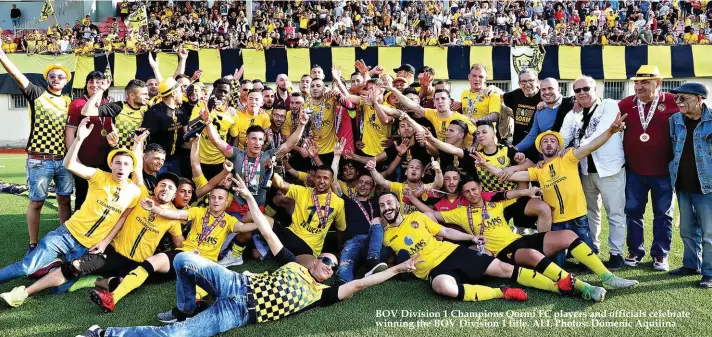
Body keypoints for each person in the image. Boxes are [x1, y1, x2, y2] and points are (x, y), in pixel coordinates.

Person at [77, 175, 421, 337]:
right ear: (314, 261)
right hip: (235, 281)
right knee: (182, 259)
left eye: (332, 268)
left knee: (176, 336)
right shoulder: (292, 262)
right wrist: (249, 198)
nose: (329, 268)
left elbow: (361, 283)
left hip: (239, 311)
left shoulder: (323, 295)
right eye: (326, 261)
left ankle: (105, 334)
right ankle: (185, 306)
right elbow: (267, 230)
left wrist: (399, 268)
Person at [0, 118, 142, 307]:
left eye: (126, 164)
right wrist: (79, 139)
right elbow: (70, 164)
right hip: (66, 235)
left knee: (58, 289)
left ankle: (54, 265)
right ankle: (47, 264)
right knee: (26, 267)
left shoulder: (134, 191)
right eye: (117, 163)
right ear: (111, 165)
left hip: (88, 247)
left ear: (132, 168)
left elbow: (122, 218)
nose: (121, 167)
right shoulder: (99, 176)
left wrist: (105, 242)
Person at [428, 178, 637, 302]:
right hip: (504, 252)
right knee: (531, 255)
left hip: (519, 240)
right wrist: (415, 198)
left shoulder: (495, 205)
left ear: (480, 190)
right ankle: (584, 288)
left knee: (568, 236)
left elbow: (512, 193)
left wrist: (527, 191)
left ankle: (607, 277)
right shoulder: (460, 212)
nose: (472, 193)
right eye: (467, 191)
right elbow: (432, 216)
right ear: (463, 195)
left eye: (474, 189)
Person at [484, 110, 628, 267]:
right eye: (545, 141)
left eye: (552, 141)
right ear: (540, 148)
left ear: (559, 146)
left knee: (588, 264)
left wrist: (610, 131)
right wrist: (485, 164)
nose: (548, 143)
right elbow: (509, 176)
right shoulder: (538, 171)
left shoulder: (569, 157)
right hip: (557, 222)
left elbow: (592, 146)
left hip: (578, 217)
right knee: (558, 264)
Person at [0, 47, 74, 254]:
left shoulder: (69, 101)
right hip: (39, 160)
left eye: (61, 76)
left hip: (63, 160)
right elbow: (17, 75)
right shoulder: (36, 93)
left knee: (65, 199)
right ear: (47, 79)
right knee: (36, 203)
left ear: (65, 81)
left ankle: (65, 238)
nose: (56, 78)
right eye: (52, 75)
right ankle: (32, 244)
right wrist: (2, 57)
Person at [559, 76, 627, 269]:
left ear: (595, 89)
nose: (581, 93)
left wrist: (574, 149)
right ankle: (592, 248)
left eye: (585, 88)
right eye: (577, 90)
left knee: (614, 213)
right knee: (590, 212)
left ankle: (616, 253)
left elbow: (603, 132)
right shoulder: (575, 113)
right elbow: (564, 137)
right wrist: (571, 116)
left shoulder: (609, 105)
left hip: (610, 169)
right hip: (585, 170)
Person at [619, 65, 678, 271]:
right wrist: (576, 106)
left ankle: (660, 255)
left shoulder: (672, 101)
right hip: (635, 171)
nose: (639, 86)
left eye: (645, 82)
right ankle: (635, 251)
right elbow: (601, 111)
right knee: (633, 213)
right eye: (636, 82)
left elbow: (695, 108)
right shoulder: (626, 104)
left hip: (664, 173)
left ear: (658, 83)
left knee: (663, 214)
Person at [668, 82, 712, 288]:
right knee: (686, 230)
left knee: (709, 233)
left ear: (699, 99)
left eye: (684, 98)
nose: (679, 102)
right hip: (682, 185)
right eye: (677, 98)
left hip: (708, 187)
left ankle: (709, 273)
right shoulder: (675, 120)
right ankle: (690, 264)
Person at [66, 71, 111, 210]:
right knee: (82, 196)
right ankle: (77, 229)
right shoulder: (78, 104)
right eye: (91, 81)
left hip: (105, 160)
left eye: (98, 81)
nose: (94, 84)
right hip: (84, 159)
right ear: (86, 85)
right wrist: (74, 158)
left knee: (103, 196)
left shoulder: (108, 103)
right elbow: (70, 131)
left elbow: (111, 126)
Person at [337, 171, 389, 284]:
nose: (363, 185)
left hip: (372, 241)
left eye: (367, 183)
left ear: (372, 188)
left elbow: (384, 183)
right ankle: (344, 282)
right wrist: (336, 157)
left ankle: (372, 260)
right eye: (360, 182)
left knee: (377, 221)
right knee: (345, 267)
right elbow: (334, 182)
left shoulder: (377, 202)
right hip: (353, 242)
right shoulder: (348, 201)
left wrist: (373, 169)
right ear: (356, 185)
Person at [82, 79, 150, 151]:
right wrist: (101, 90)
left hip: (140, 156)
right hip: (121, 156)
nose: (148, 97)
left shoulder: (148, 107)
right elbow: (86, 111)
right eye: (144, 94)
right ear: (132, 95)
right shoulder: (118, 107)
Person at [141, 78, 185, 176]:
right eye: (180, 91)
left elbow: (186, 134)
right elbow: (142, 139)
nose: (183, 94)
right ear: (173, 94)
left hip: (176, 160)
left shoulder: (181, 111)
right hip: (157, 162)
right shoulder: (153, 113)